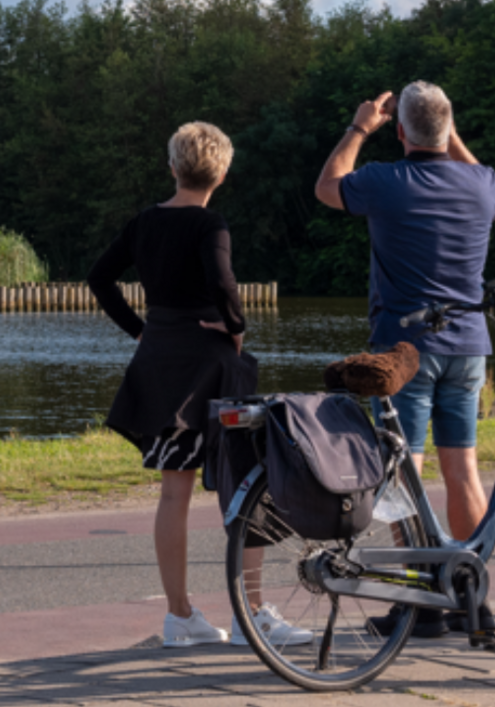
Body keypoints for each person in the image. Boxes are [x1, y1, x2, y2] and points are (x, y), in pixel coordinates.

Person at [90, 122, 307, 652]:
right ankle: (253, 614)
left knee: (174, 491)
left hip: (161, 365)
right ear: (224, 173)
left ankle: (179, 615)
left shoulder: (144, 223)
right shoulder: (210, 223)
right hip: (210, 367)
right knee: (247, 483)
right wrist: (235, 328)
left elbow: (99, 277)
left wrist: (141, 329)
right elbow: (222, 280)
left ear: (171, 167)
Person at [313, 80, 495, 639]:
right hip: (468, 346)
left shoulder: (387, 181)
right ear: (448, 130)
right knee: (461, 467)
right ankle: (469, 589)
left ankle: (420, 601)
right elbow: (471, 168)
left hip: (406, 350)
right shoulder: (482, 186)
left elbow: (327, 186)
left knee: (404, 471)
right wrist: (447, 129)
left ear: (399, 133)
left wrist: (359, 127)